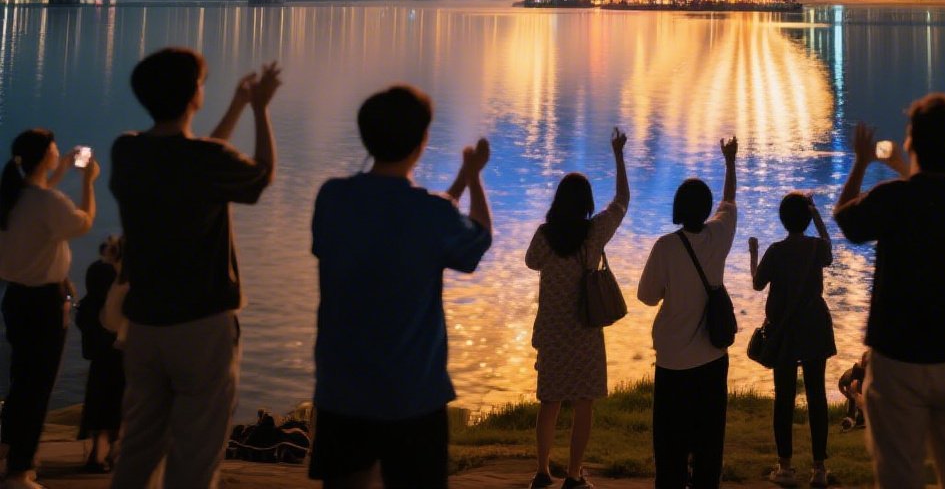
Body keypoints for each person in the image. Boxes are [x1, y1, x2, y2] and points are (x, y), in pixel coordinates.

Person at [109, 49, 281, 489]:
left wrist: (237, 106)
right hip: (201, 327)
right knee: (196, 455)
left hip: (143, 325)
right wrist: (260, 109)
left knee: (138, 448)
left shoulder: (127, 152)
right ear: (193, 96)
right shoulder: (205, 163)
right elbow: (259, 175)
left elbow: (195, 156)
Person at [310, 84, 492, 489]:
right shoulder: (431, 214)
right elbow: (475, 239)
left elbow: (413, 216)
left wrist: (461, 178)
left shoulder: (333, 199)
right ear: (422, 140)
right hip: (413, 394)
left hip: (342, 390)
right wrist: (474, 178)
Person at [833, 95, 945, 489]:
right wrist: (903, 169)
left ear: (912, 141)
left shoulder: (892, 198)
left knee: (899, 473)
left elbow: (845, 218)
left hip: (897, 355)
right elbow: (927, 197)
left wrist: (862, 161)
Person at [526, 127, 630, 489]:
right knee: (584, 402)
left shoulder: (544, 235)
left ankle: (542, 471)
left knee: (550, 402)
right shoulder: (595, 233)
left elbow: (530, 263)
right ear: (586, 203)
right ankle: (574, 474)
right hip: (585, 329)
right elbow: (621, 201)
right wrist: (618, 154)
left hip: (552, 330)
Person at [637, 137, 739, 489]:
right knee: (710, 443)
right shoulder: (720, 236)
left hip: (672, 363)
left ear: (678, 208)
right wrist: (730, 161)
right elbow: (729, 201)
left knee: (670, 447)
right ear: (706, 208)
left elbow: (647, 297)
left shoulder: (665, 247)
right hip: (712, 357)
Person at [0, 128, 97, 489]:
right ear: (45, 156)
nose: (59, 151)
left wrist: (60, 174)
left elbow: (42, 198)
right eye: (55, 149)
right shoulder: (46, 203)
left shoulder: (12, 197)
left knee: (22, 381)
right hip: (44, 303)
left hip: (15, 300)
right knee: (38, 387)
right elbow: (83, 221)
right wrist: (88, 181)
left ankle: (10, 452)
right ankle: (19, 471)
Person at [748, 191, 837, 488]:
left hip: (784, 332)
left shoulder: (775, 251)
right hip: (814, 327)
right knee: (817, 397)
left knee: (783, 398)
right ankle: (819, 469)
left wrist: (753, 254)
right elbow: (829, 249)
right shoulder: (816, 248)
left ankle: (785, 467)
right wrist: (817, 215)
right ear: (807, 219)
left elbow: (758, 284)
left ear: (782, 220)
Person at [76, 235, 127, 473]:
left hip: (100, 354)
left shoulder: (97, 273)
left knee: (99, 401)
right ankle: (114, 454)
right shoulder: (121, 279)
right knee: (119, 402)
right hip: (119, 350)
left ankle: (97, 454)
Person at [836, 351, 868, 431]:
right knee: (853, 398)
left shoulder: (873, 371)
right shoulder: (848, 377)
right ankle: (853, 419)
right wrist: (845, 393)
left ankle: (859, 418)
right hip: (855, 387)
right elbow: (840, 384)